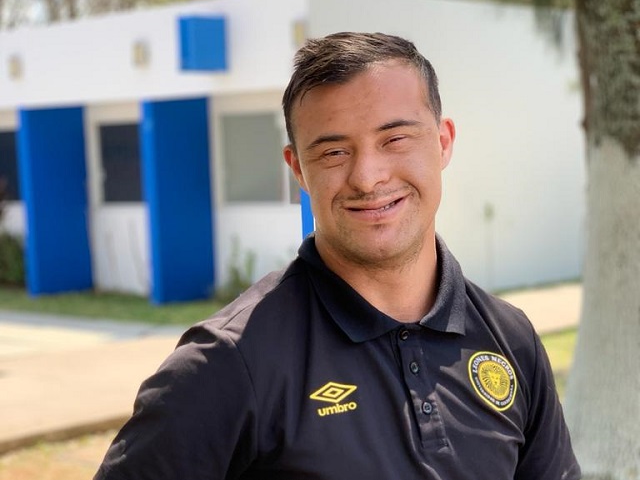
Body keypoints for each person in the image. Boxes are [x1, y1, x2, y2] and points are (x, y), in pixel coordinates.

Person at [94, 32, 581, 480]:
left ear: (443, 142)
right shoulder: (226, 363)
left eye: (394, 139)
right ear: (298, 169)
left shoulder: (510, 340)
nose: (368, 177)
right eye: (333, 153)